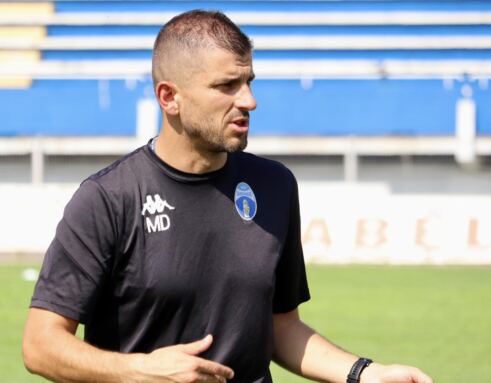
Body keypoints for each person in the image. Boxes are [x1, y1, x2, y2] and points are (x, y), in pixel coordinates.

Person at [23, 10, 434, 383]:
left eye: (249, 82)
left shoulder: (275, 185)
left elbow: (279, 325)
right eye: (227, 86)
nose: (249, 101)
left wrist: (365, 373)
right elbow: (40, 346)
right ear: (170, 98)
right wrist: (140, 370)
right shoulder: (107, 198)